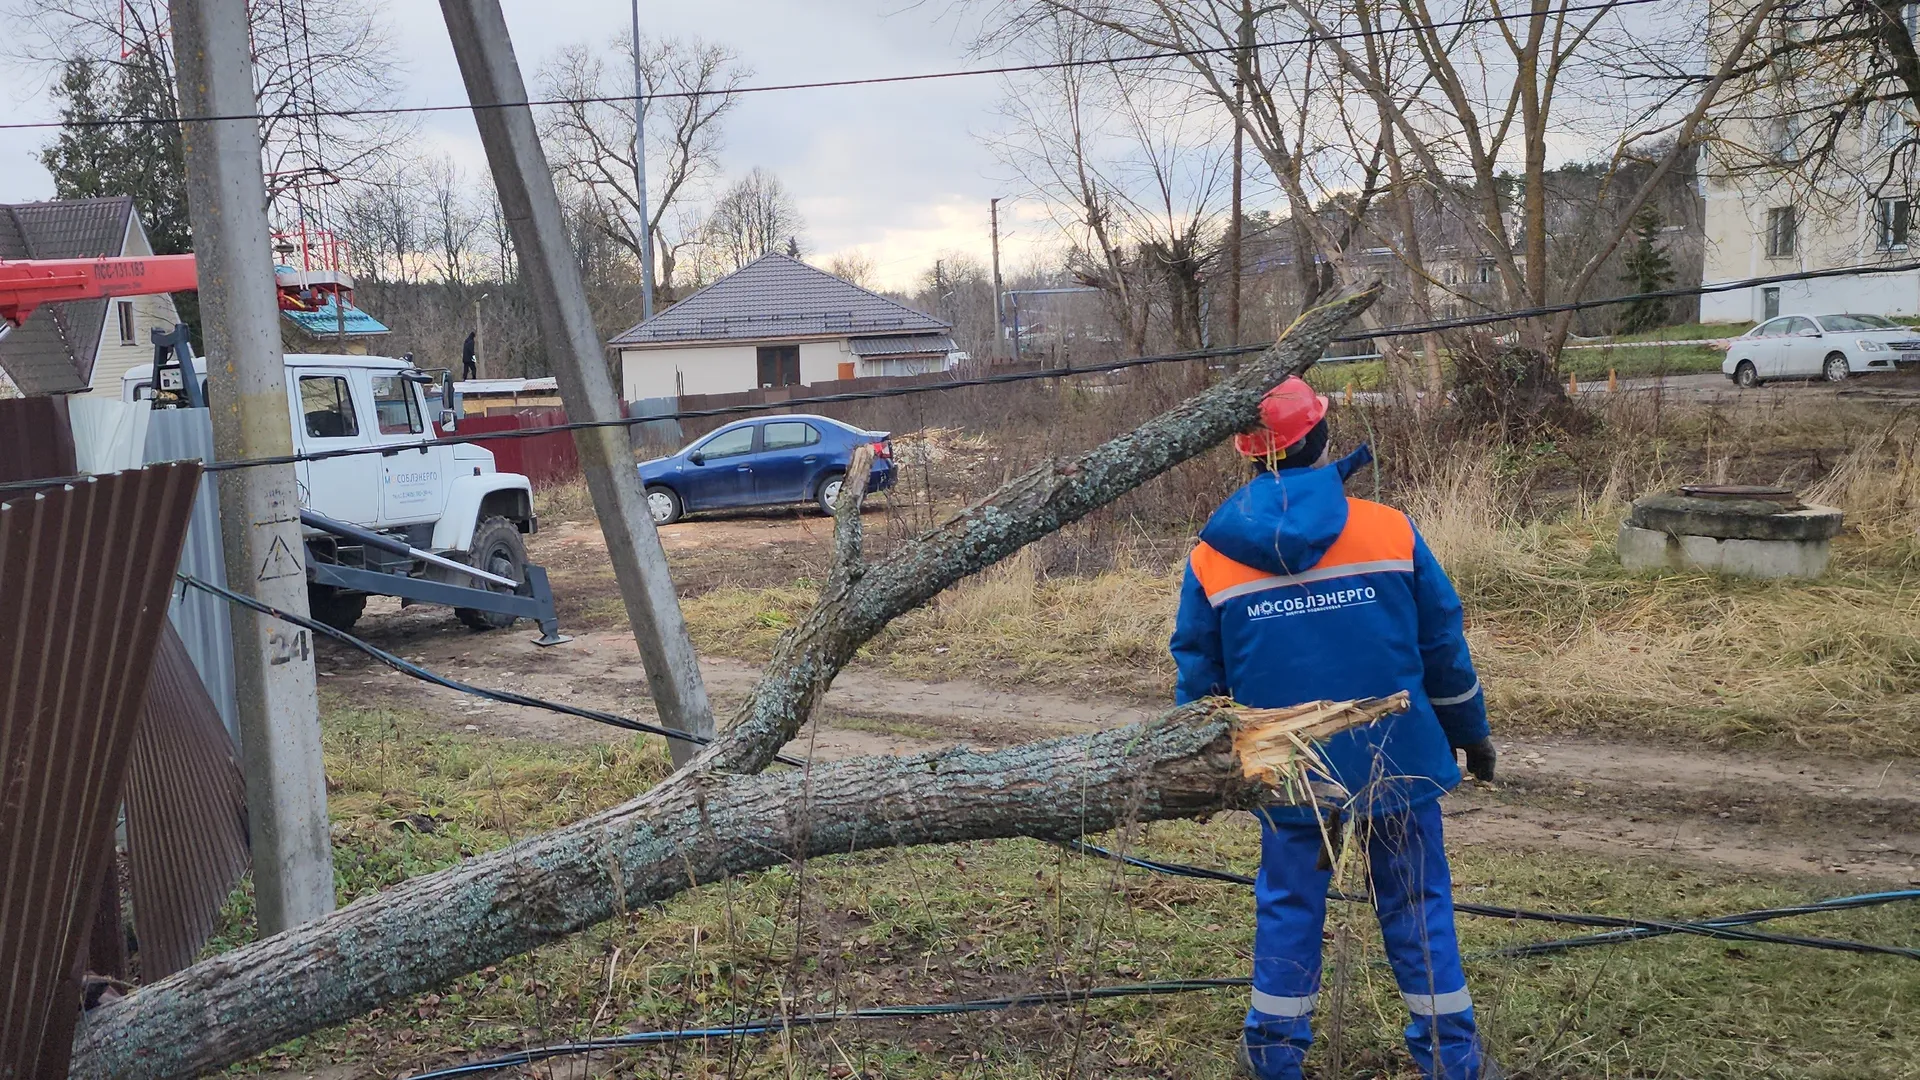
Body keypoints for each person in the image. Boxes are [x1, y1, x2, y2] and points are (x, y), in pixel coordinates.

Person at [1169, 377, 1498, 1080]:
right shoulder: (1389, 529)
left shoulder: (1212, 555)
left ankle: (1273, 1058)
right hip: (1399, 758)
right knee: (1417, 906)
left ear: (1249, 458)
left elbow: (1201, 679)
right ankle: (1452, 1060)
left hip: (1288, 769)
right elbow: (1443, 648)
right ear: (1321, 437)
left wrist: (1203, 765)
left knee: (1289, 905)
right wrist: (1470, 733)